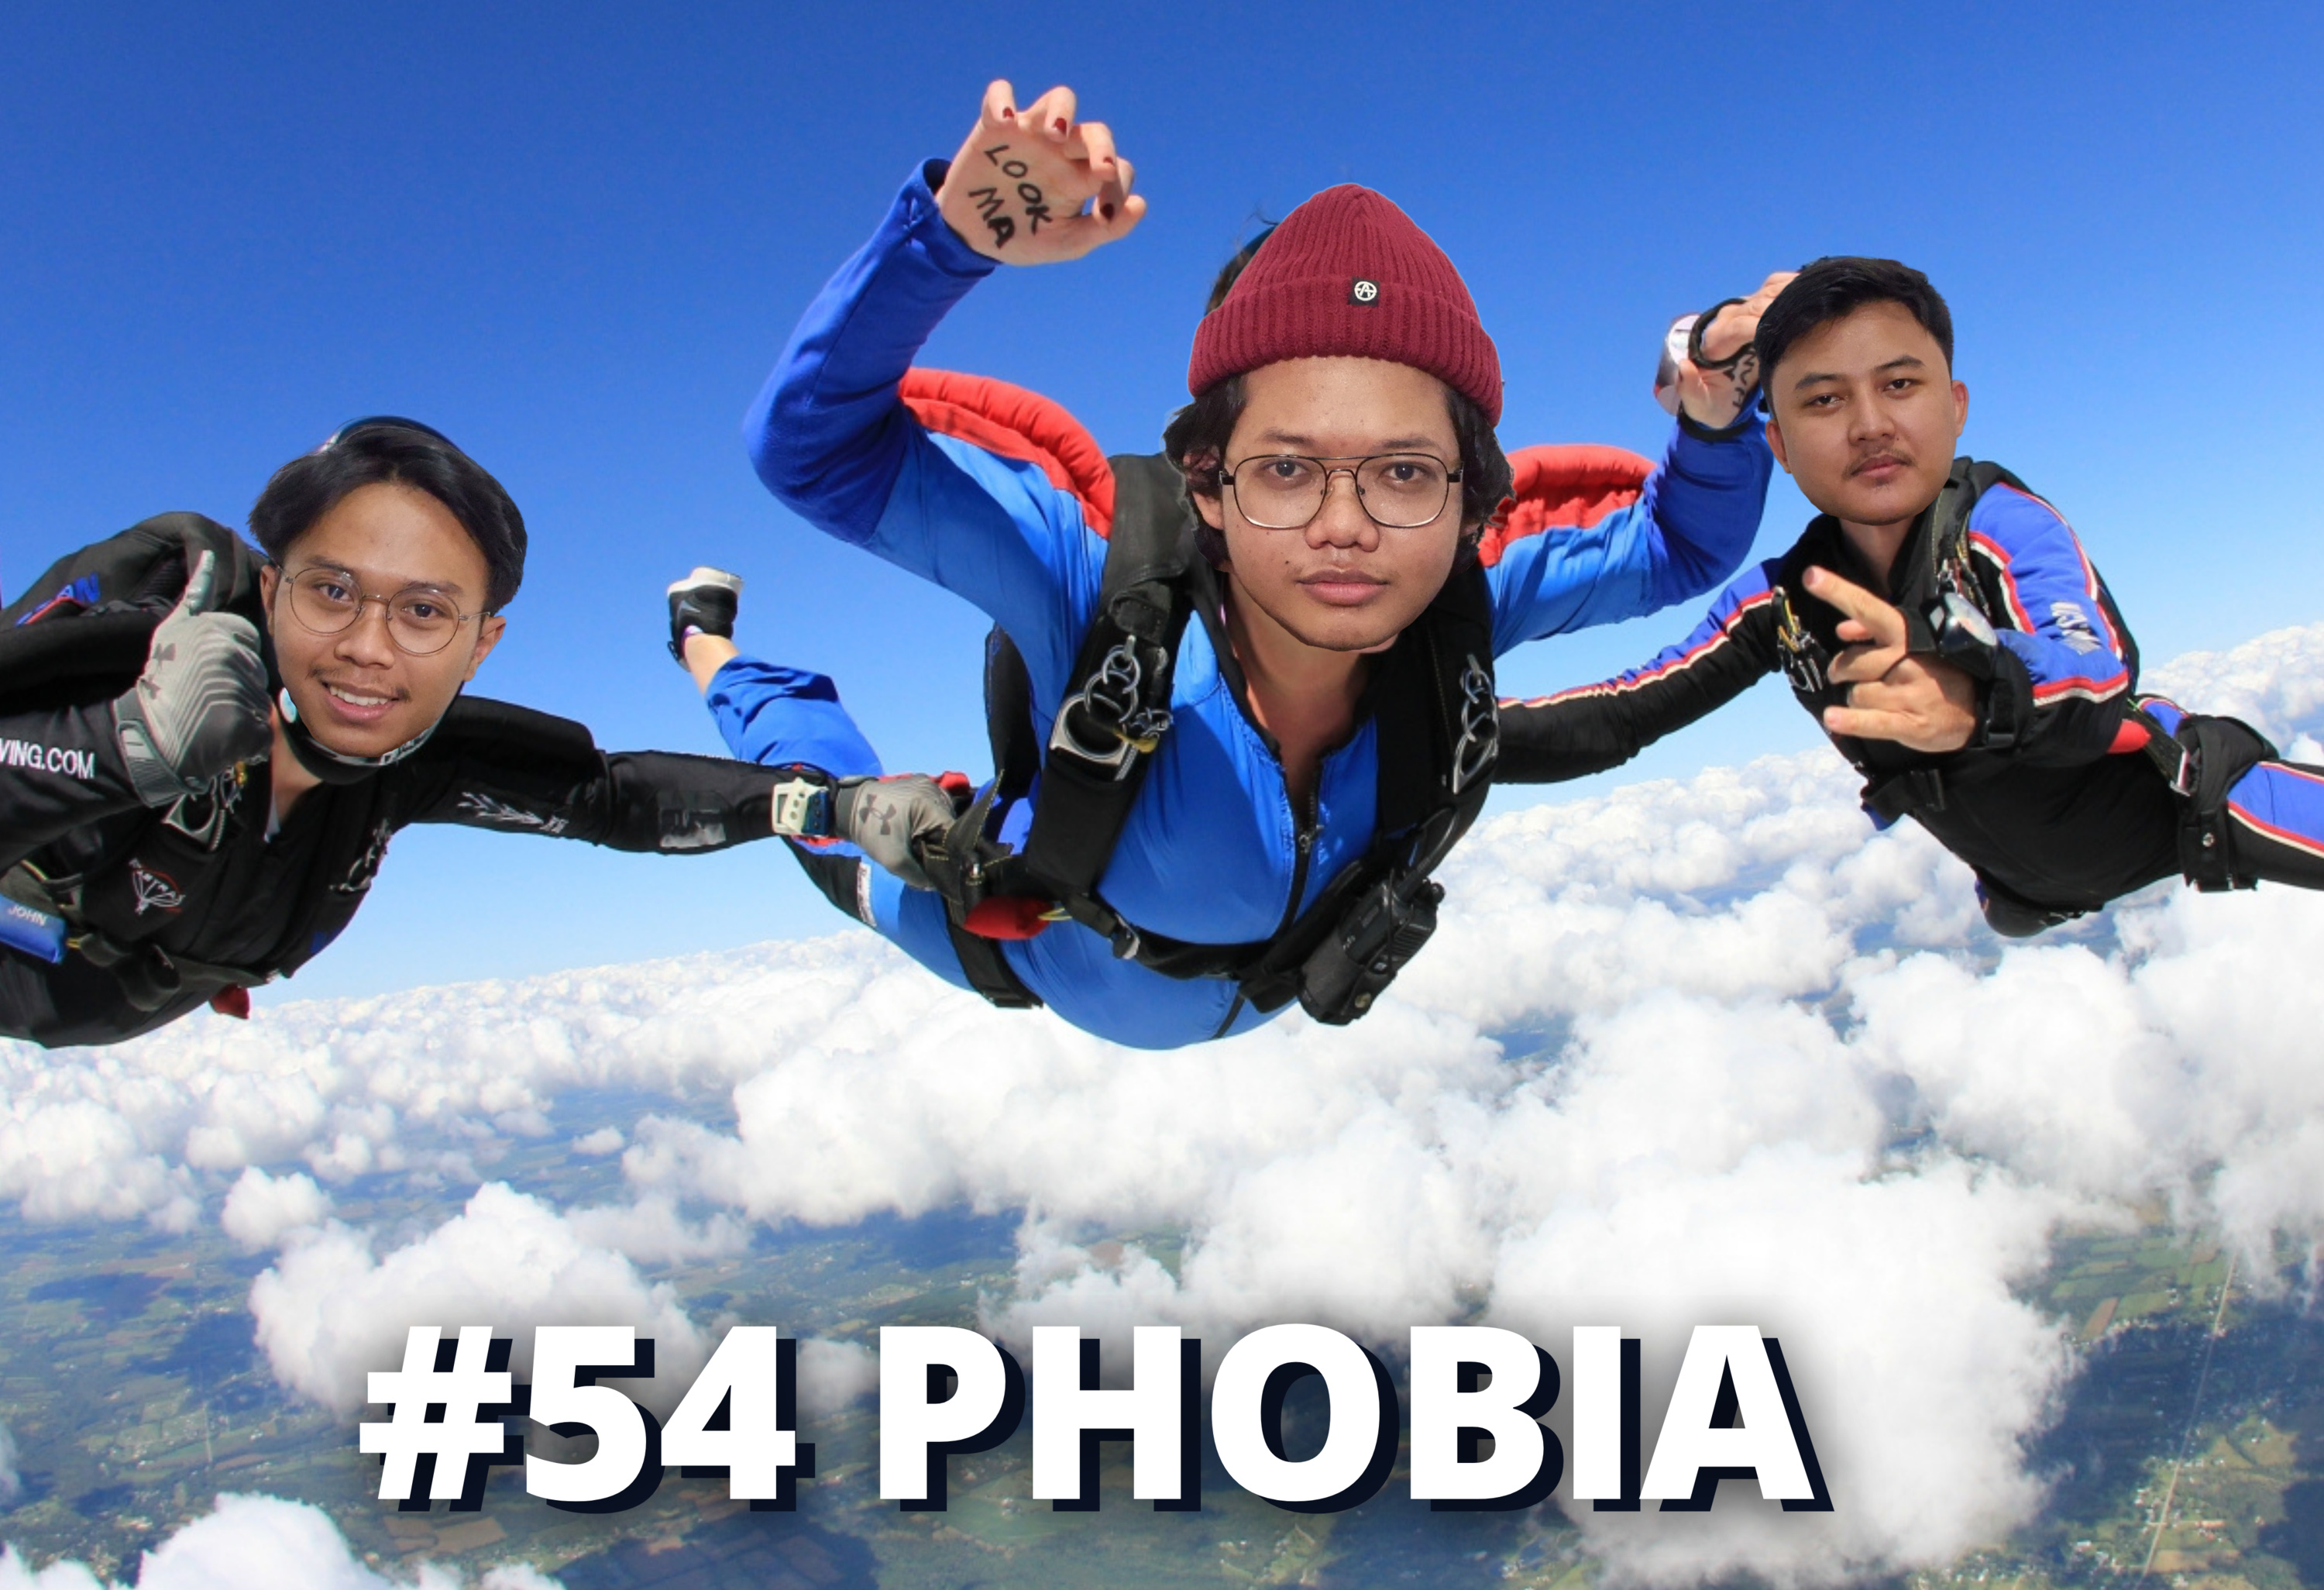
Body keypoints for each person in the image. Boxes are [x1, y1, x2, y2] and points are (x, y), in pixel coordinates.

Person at [697, 79, 1786, 1048]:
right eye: (1287, 470)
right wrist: (948, 240)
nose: (1345, 527)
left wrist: (1716, 407)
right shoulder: (1095, 579)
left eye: (1405, 472)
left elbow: (1680, 542)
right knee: (828, 815)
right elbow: (810, 447)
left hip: (1243, 985)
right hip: (1021, 950)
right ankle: (710, 647)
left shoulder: (1457, 593)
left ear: (1471, 499)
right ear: (1207, 484)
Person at [1496, 256, 2324, 934]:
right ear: (1778, 444)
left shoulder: (1996, 524)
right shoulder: (1788, 602)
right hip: (2026, 887)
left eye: (1899, 385)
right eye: (1824, 399)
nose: (1870, 425)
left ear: (1956, 407)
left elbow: (2095, 669)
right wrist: (1447, 733)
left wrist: (1978, 689)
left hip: (2186, 807)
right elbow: (1627, 711)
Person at [0, 418, 834, 1049]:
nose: (368, 647)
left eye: (425, 611)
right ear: (272, 591)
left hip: (118, 989)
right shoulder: (145, 666)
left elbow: (612, 800)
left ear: (481, 646)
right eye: (332, 592)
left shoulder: (410, 766)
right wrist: (125, 748)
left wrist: (832, 806)